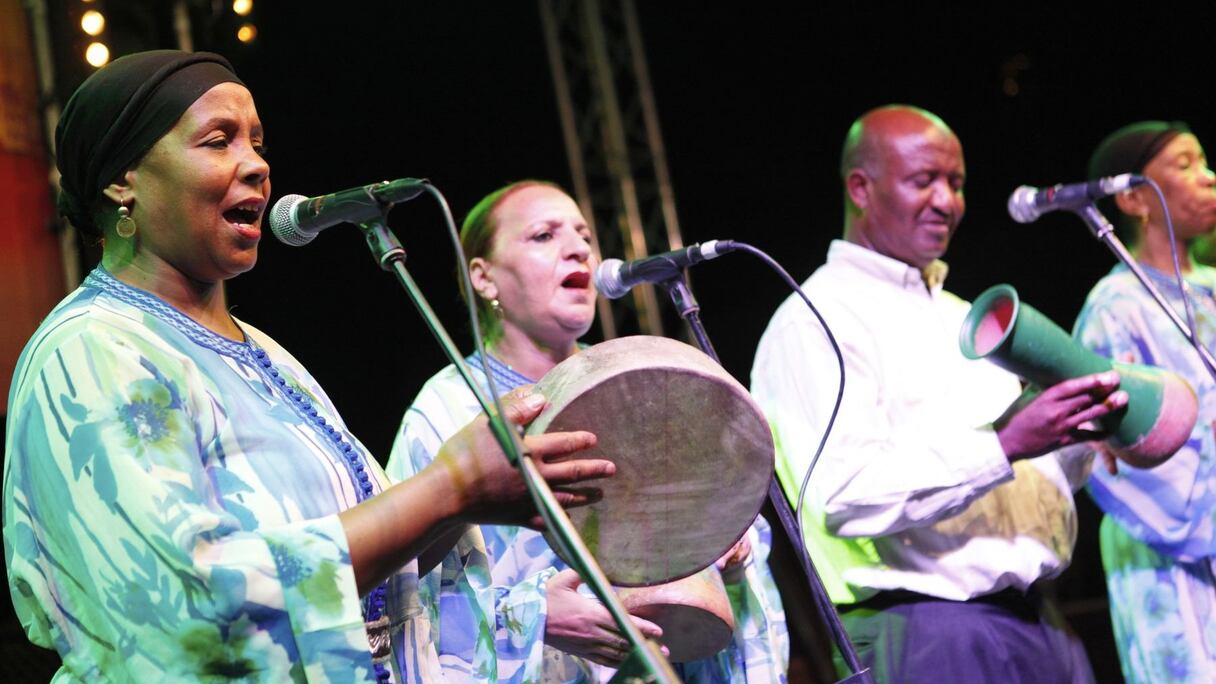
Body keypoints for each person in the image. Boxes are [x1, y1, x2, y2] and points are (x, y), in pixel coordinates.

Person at [2, 50, 615, 683]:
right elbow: (177, 604)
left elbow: (371, 576)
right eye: (219, 141)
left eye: (258, 141)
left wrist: (467, 499)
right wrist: (447, 488)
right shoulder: (91, 352)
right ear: (121, 180)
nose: (258, 164)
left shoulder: (267, 356)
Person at [750, 105, 1129, 683]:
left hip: (1041, 622)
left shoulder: (962, 317)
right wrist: (1007, 442)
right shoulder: (817, 318)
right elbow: (846, 495)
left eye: (956, 183)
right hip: (929, 633)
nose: (947, 201)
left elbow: (1015, 477)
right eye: (923, 180)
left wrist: (1076, 435)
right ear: (861, 187)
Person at [385, 180, 789, 682]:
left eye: (582, 235)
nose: (578, 248)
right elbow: (408, 598)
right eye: (543, 236)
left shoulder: (640, 383)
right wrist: (533, 617)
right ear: (483, 279)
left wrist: (728, 552)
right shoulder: (447, 412)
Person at [1073, 121, 1216, 683]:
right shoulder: (1116, 309)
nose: (1207, 178)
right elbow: (1106, 456)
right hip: (1170, 562)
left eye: (1203, 161)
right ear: (1134, 198)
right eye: (1184, 165)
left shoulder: (1212, 287)